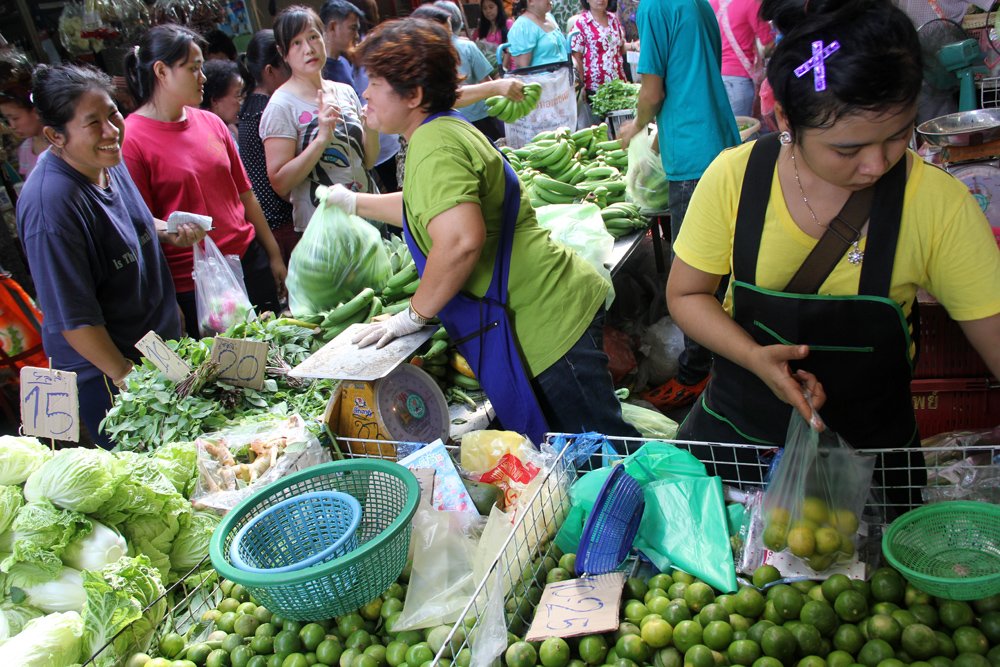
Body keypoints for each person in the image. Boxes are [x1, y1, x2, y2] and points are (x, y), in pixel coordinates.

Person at [666, 0, 1000, 501]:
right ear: (785, 118)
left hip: (869, 472)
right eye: (847, 149)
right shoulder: (734, 179)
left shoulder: (937, 204)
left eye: (897, 135)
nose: (876, 165)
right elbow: (687, 295)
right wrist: (755, 357)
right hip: (737, 457)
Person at [328, 18, 639, 443]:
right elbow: (429, 209)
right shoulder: (441, 129)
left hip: (545, 321)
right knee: (590, 452)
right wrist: (355, 203)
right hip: (544, 308)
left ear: (414, 94)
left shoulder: (434, 144)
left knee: (606, 456)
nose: (365, 93)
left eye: (376, 82)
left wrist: (414, 315)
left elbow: (459, 240)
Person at [16, 64, 203, 448]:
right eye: (93, 122)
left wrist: (166, 231)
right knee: (148, 467)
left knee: (194, 443)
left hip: (151, 344)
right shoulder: (51, 206)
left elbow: (130, 220)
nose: (111, 130)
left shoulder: (105, 162)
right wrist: (128, 378)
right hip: (106, 367)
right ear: (56, 136)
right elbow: (75, 320)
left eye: (113, 113)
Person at [123, 24, 286, 337]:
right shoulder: (132, 139)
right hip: (196, 282)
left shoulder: (211, 122)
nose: (203, 77)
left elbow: (245, 194)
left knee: (277, 348)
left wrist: (273, 254)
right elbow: (139, 224)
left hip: (249, 260)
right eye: (193, 68)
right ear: (161, 71)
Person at [617, 0, 740, 411]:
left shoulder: (654, 6)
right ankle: (727, 363)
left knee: (692, 281)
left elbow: (653, 90)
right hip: (720, 140)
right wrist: (656, 139)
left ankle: (695, 375)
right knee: (721, 268)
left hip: (692, 156)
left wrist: (635, 125)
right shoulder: (697, 4)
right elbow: (693, 76)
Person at [261, 5, 379, 238]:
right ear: (282, 52)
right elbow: (280, 183)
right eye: (296, 43)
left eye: (313, 37)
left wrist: (370, 127)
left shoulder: (344, 92)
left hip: (367, 213)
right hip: (325, 229)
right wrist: (322, 138)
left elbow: (367, 161)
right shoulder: (281, 106)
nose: (308, 49)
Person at [238, 30, 297, 265]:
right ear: (270, 71)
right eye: (288, 67)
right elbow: (282, 181)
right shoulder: (271, 110)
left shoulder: (249, 106)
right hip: (283, 222)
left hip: (269, 222)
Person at [710, 0, 774, 118]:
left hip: (714, 77)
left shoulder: (710, 3)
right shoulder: (750, 3)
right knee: (744, 131)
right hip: (739, 79)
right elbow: (769, 42)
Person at [570, 0, 634, 98]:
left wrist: (634, 46)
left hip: (619, 85)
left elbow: (619, 48)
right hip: (594, 89)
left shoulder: (614, 20)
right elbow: (576, 58)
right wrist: (581, 86)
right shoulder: (581, 23)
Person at [508, 0, 570, 69]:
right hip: (541, 78)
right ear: (531, 1)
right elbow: (523, 69)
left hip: (565, 73)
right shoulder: (522, 26)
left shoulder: (549, 17)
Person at [1, 86, 45, 179]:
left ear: (36, 112)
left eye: (15, 118)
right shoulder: (25, 149)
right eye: (7, 119)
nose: (12, 126)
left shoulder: (64, 144)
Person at [320, 0, 365, 87]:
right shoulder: (318, 70)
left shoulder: (345, 63)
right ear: (333, 27)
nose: (357, 36)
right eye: (353, 28)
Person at [200, 59, 243, 143]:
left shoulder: (231, 130)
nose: (241, 102)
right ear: (215, 100)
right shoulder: (206, 137)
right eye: (237, 95)